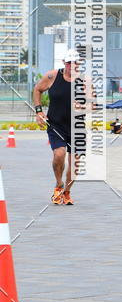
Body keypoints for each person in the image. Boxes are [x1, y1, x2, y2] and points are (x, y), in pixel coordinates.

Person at [33, 49, 82, 205]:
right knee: (59, 155)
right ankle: (58, 184)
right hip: (56, 125)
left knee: (75, 165)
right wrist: (39, 111)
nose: (72, 66)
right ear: (64, 63)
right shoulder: (52, 76)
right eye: (69, 63)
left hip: (76, 127)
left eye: (75, 63)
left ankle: (67, 192)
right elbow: (37, 90)